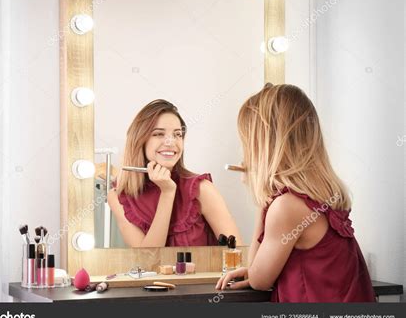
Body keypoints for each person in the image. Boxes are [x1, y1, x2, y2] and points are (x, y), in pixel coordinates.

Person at [216, 84, 375, 302]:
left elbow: (259, 279)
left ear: (264, 149)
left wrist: (263, 200)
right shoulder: (320, 196)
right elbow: (257, 270)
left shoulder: (286, 207)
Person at [108, 99, 242, 247]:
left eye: (177, 134)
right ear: (140, 140)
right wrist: (167, 193)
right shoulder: (118, 196)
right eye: (159, 134)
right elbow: (148, 259)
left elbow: (237, 252)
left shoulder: (202, 189)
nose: (171, 142)